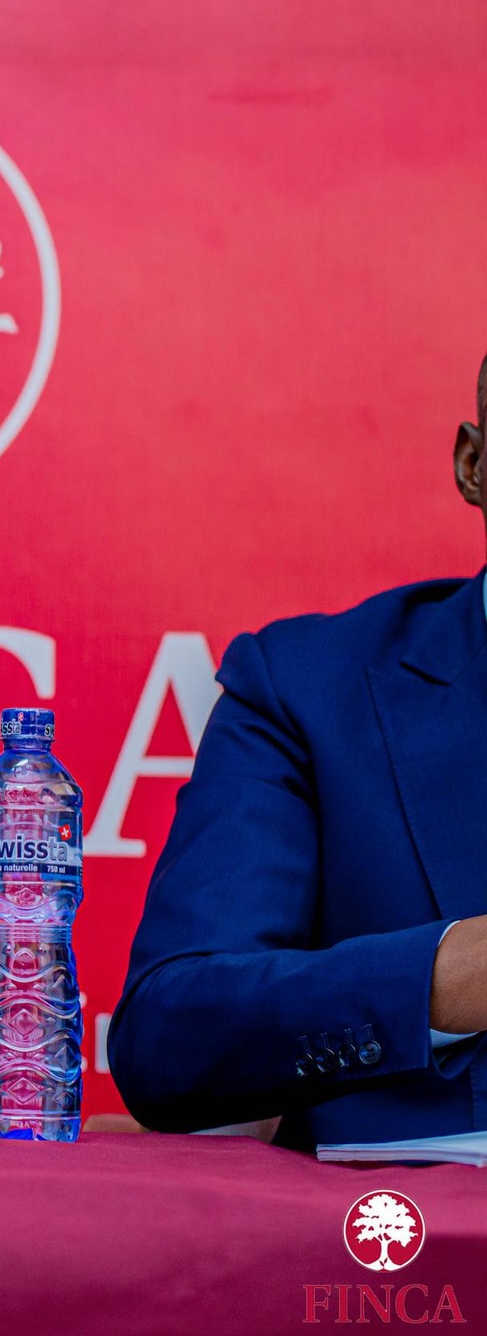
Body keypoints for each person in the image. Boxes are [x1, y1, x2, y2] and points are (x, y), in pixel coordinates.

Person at [110, 358, 487, 1147]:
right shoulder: (308, 690)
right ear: (473, 464)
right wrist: (439, 979)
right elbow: (168, 1038)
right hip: (418, 1212)